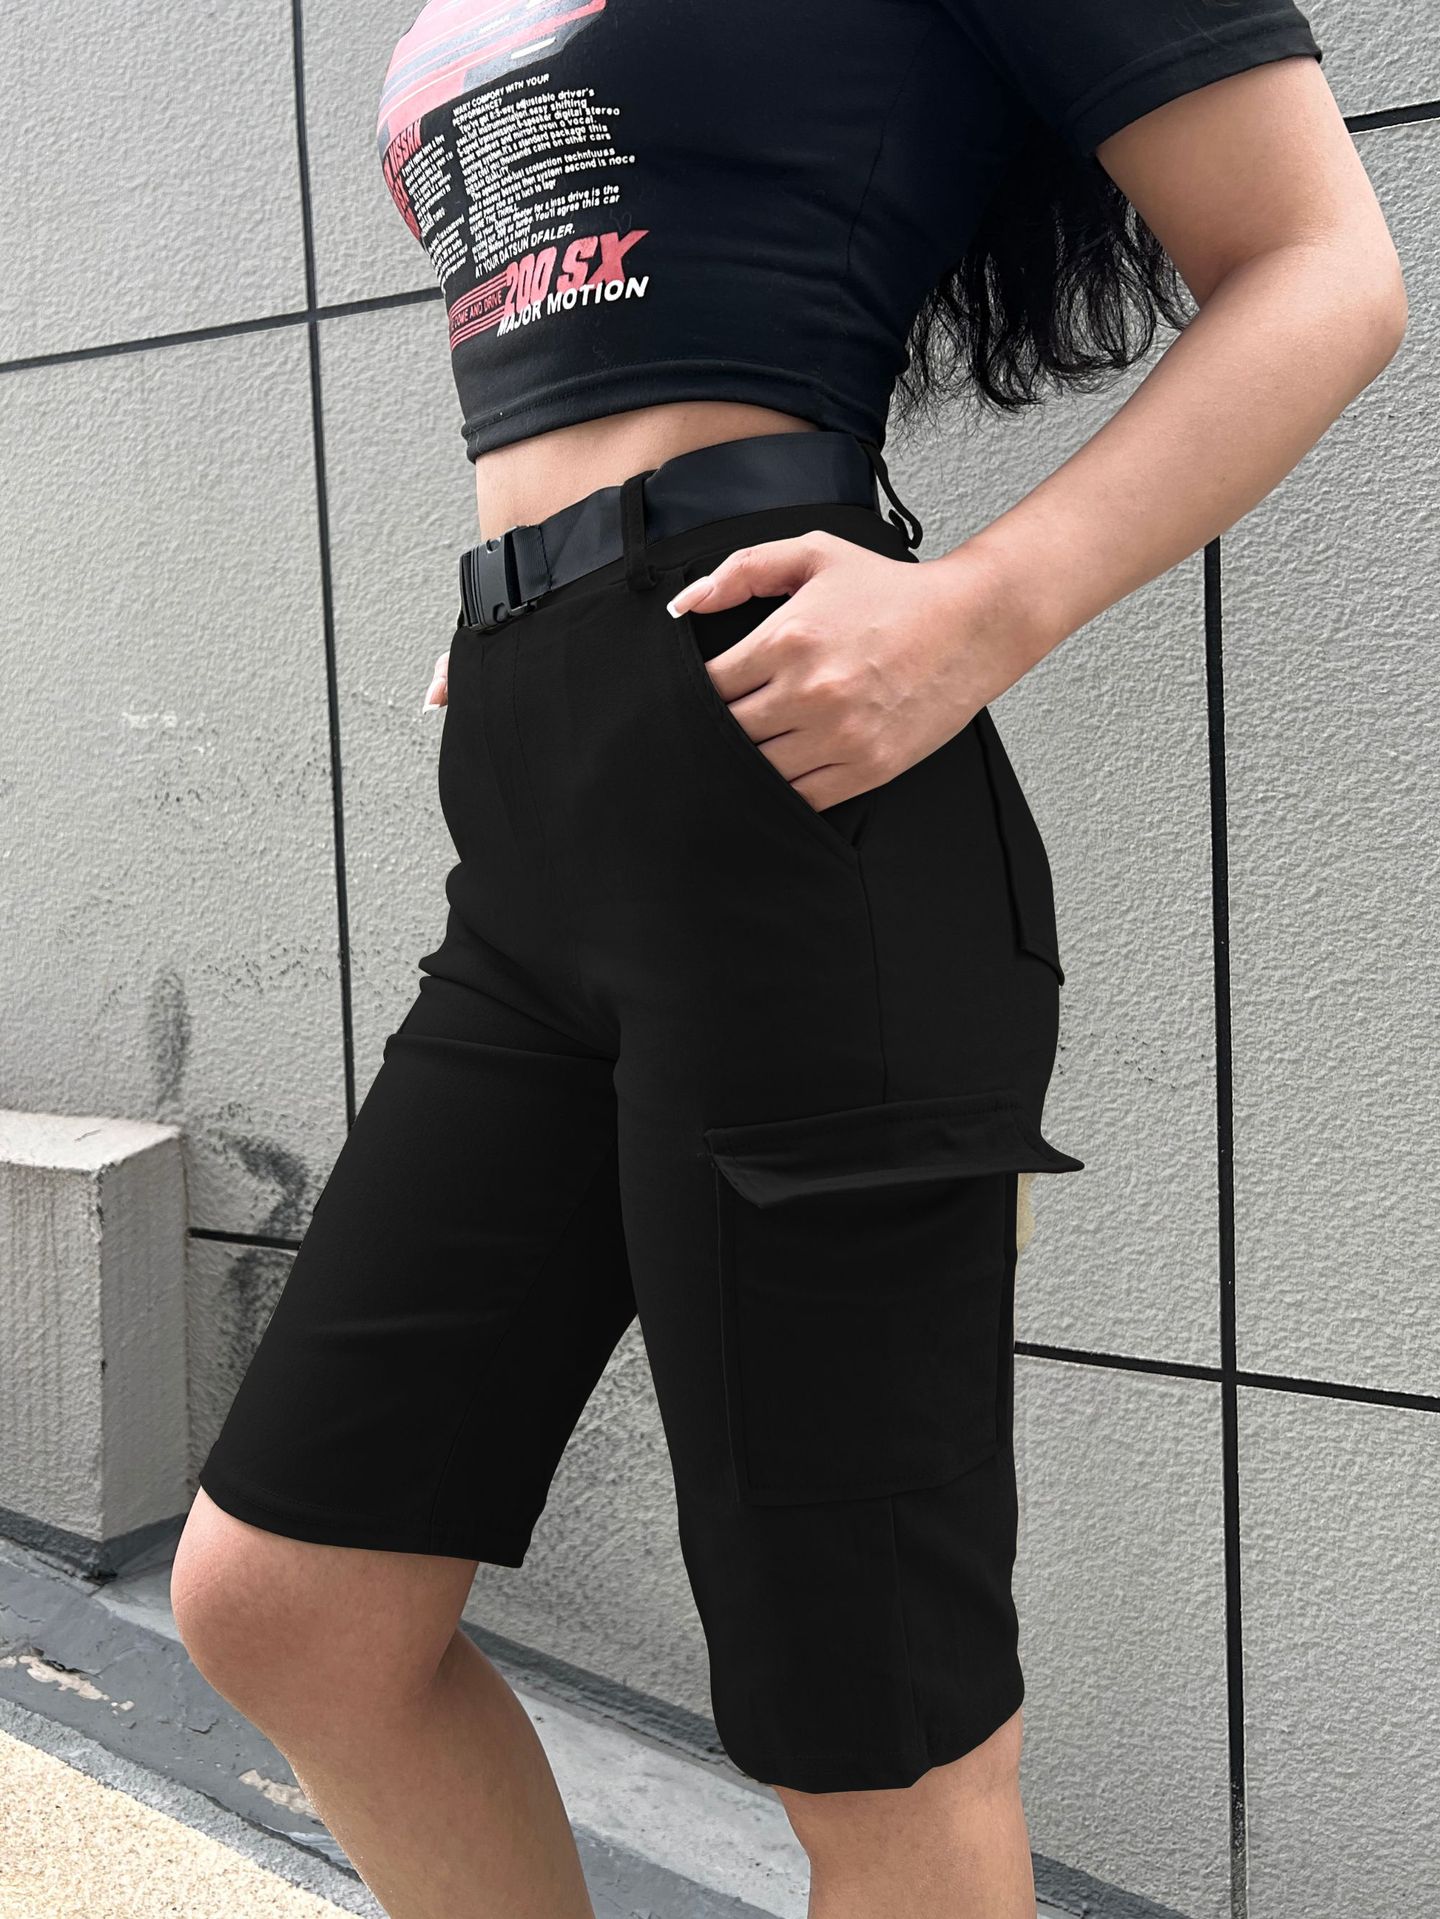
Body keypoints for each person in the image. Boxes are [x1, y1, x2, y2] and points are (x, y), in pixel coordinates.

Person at [170, 3, 1406, 1915]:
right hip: (546, 820)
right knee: (288, 1601)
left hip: (799, 832)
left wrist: (983, 608)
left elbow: (1325, 263)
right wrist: (551, 620)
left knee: (875, 1740)